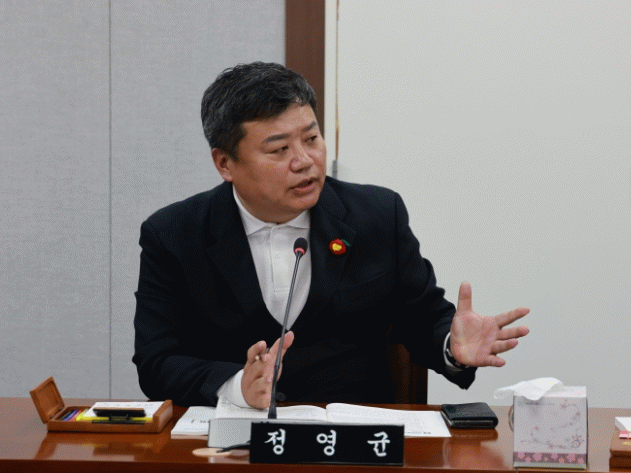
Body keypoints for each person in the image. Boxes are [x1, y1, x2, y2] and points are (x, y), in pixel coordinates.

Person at [132, 62, 529, 408]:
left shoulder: (376, 215)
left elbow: (424, 317)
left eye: (311, 139)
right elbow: (158, 361)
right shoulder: (174, 235)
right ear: (224, 163)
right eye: (279, 150)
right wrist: (238, 386)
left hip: (353, 438)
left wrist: (451, 347)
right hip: (231, 441)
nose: (304, 161)